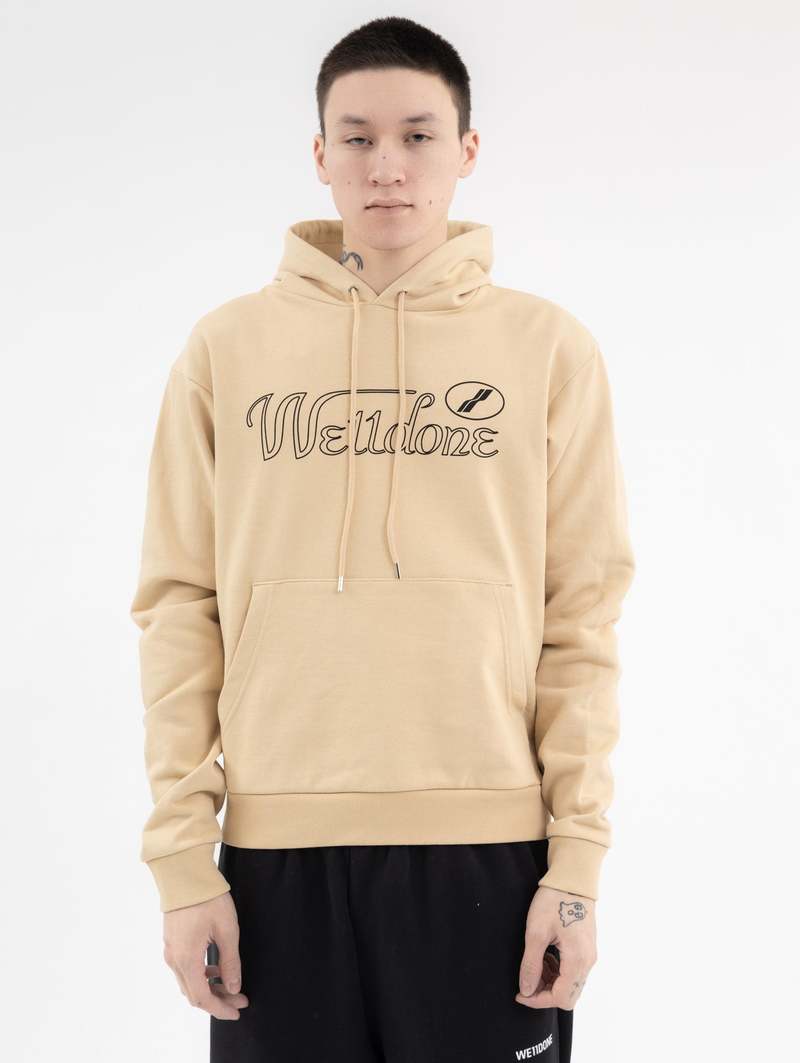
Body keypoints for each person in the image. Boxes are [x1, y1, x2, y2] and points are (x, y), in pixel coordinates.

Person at [129, 16, 635, 1063]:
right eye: (356, 138)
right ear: (319, 155)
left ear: (467, 150)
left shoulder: (547, 349)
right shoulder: (226, 349)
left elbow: (581, 614)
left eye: (417, 135)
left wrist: (576, 866)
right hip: (273, 856)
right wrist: (182, 864)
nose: (387, 166)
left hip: (491, 852)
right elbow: (179, 605)